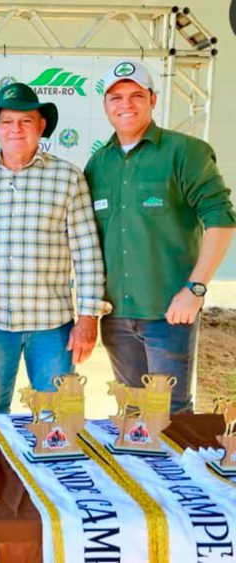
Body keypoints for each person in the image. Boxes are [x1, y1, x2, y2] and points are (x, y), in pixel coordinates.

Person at [85, 61, 236, 414]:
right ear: (105, 105)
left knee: (170, 415)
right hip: (116, 316)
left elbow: (221, 220)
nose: (126, 104)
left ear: (153, 99)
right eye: (116, 97)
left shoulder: (186, 152)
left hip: (170, 314)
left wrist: (195, 289)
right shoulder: (98, 164)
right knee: (133, 413)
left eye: (136, 95)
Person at [0, 83, 110, 414]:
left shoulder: (68, 177)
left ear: (41, 126)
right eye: (7, 122)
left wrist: (88, 317)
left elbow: (87, 252)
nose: (15, 129)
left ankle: (53, 451)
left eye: (25, 121)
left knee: (56, 414)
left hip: (52, 324)